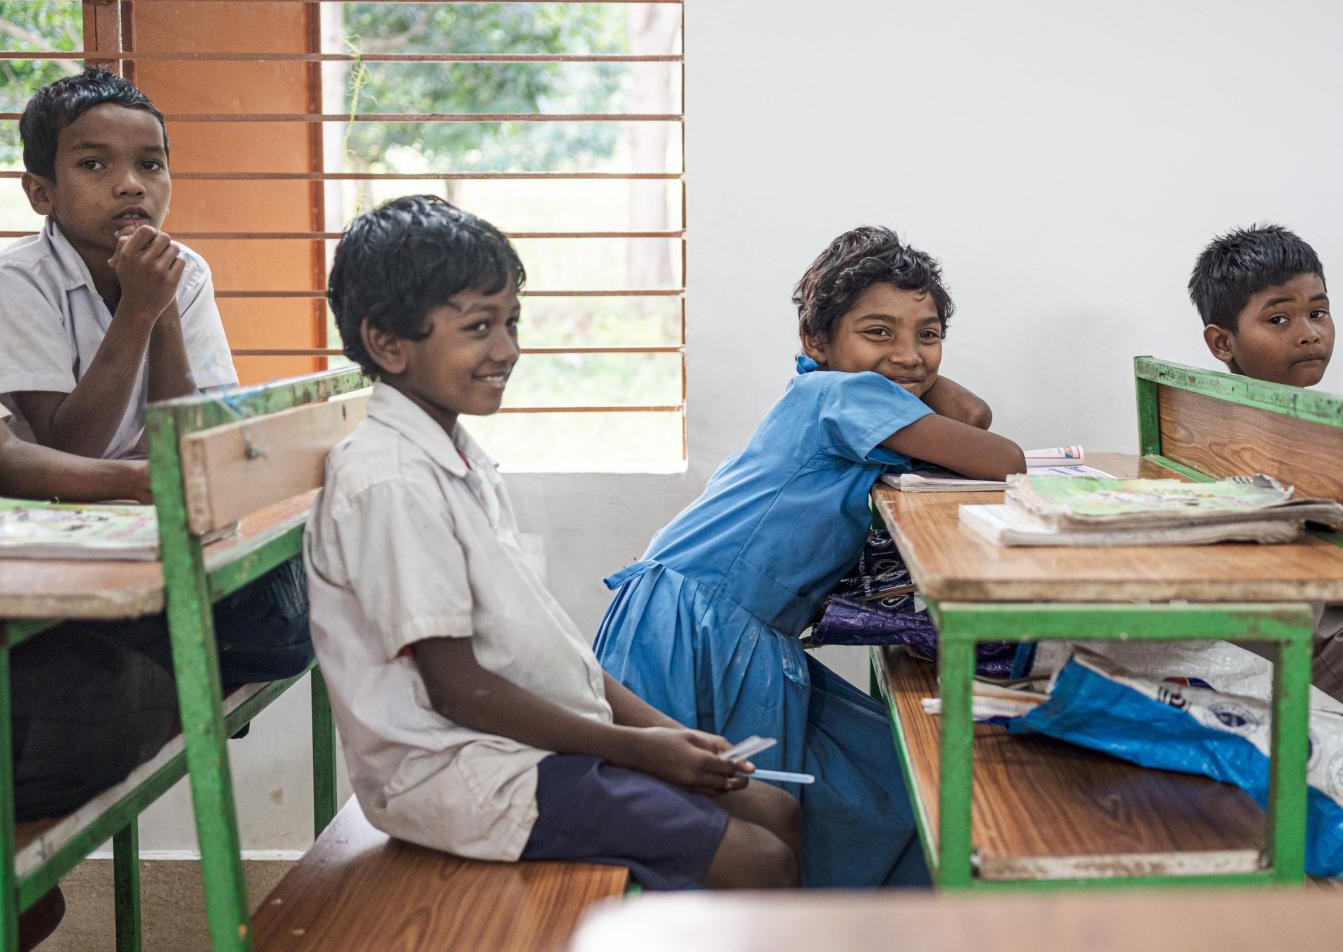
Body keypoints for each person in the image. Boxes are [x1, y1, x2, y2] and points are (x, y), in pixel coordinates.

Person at [307, 195, 800, 889]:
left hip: (522, 746)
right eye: (479, 327)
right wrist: (639, 750)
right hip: (465, 773)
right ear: (389, 343)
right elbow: (460, 693)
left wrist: (665, 733)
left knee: (775, 809)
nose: (507, 349)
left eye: (511, 322)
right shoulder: (389, 482)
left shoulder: (455, 456)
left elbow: (544, 649)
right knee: (759, 859)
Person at [596, 226, 1025, 886]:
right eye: (878, 332)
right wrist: (906, 369)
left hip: (735, 627)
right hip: (701, 627)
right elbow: (1004, 458)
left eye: (929, 333)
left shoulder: (837, 390)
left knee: (885, 783)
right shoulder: (840, 395)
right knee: (703, 825)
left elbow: (974, 415)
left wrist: (900, 362)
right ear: (815, 342)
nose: (908, 354)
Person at [0, 67, 235, 460]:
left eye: (149, 165)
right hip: (50, 504)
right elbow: (70, 447)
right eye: (93, 164)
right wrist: (142, 306)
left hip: (142, 491)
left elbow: (183, 439)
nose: (131, 184)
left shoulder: (186, 272)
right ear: (42, 193)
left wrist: (164, 303)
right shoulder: (19, 280)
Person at [1187, 223, 1343, 702]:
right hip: (1307, 648)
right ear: (1223, 343)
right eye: (1279, 320)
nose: (1309, 335)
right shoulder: (1233, 439)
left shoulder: (1322, 431)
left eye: (1318, 313)